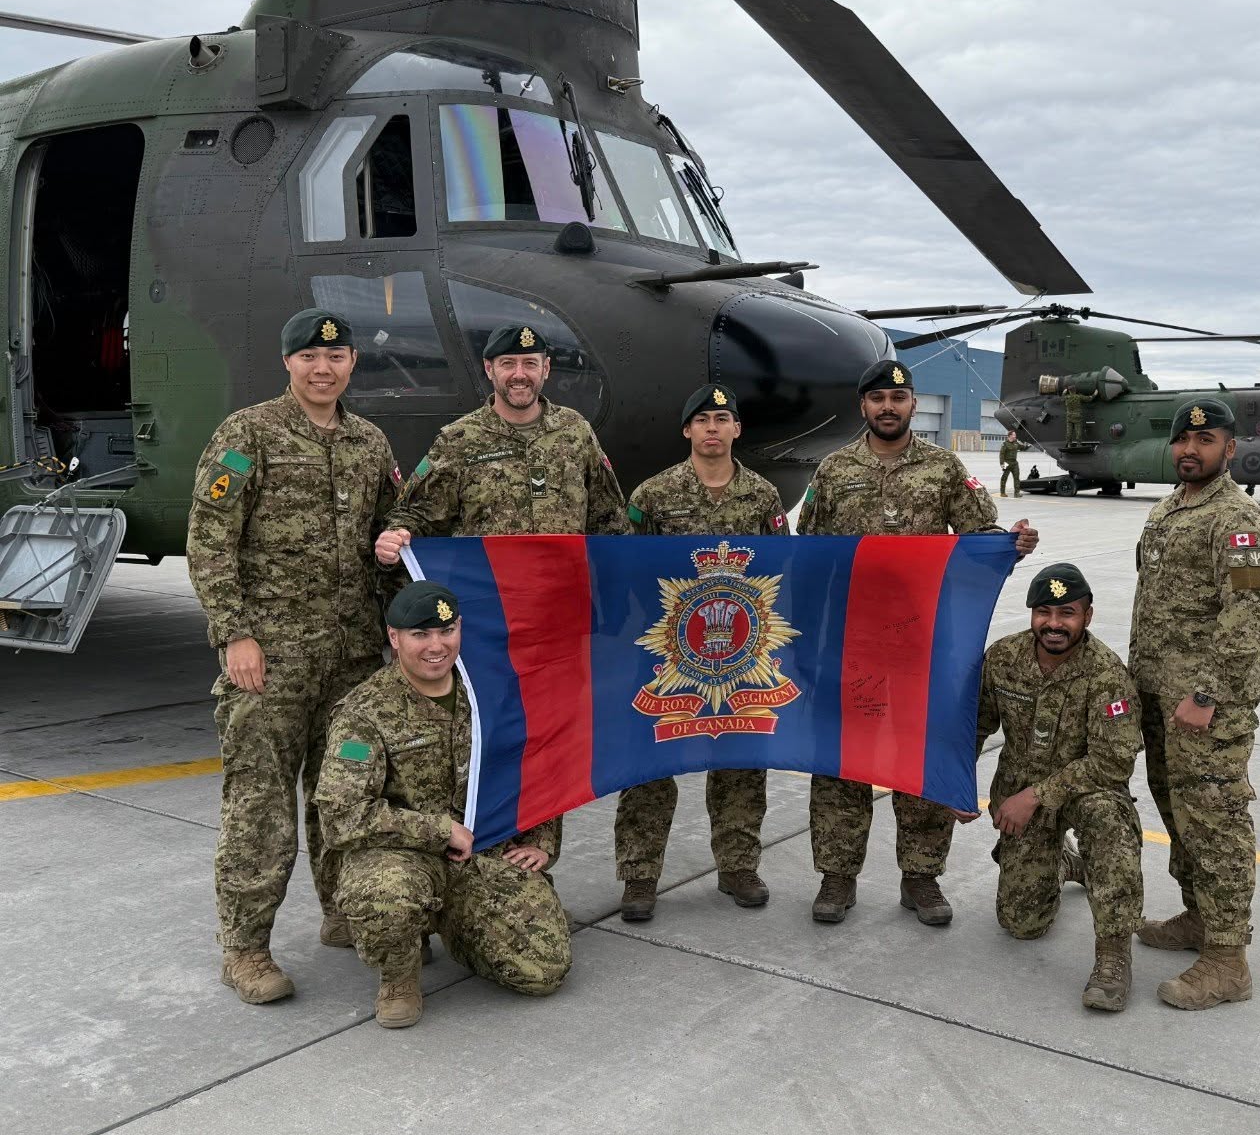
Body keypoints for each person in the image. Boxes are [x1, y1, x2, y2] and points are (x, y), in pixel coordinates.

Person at [187, 308, 399, 1005]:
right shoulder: (247, 434)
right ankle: (245, 949)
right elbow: (210, 541)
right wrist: (234, 634)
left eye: (335, 357)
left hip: (351, 657)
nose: (323, 368)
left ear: (352, 364)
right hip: (270, 658)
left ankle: (343, 912)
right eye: (309, 356)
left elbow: (388, 540)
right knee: (261, 803)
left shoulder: (369, 443)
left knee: (345, 790)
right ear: (288, 362)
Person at [798, 359, 1039, 926]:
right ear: (863, 406)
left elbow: (979, 537)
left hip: (921, 641)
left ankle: (921, 877)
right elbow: (809, 549)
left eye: (898, 398)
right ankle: (837, 876)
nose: (888, 407)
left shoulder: (944, 469)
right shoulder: (833, 470)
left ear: (912, 404)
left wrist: (1010, 544)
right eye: (878, 398)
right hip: (852, 641)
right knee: (842, 757)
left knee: (921, 749)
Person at [315, 582, 570, 1028]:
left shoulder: (489, 692)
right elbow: (341, 814)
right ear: (394, 637)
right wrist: (438, 830)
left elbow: (535, 763)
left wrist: (543, 837)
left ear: (460, 628)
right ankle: (399, 977)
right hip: (400, 854)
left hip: (482, 852)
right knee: (384, 897)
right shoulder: (364, 713)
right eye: (420, 634)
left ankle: (455, 919)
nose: (436, 646)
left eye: (447, 631)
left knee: (542, 971)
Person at [616, 384, 789, 922]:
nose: (712, 428)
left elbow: (784, 566)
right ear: (687, 430)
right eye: (702, 420)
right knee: (648, 760)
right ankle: (640, 874)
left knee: (741, 759)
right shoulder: (652, 495)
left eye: (722, 418)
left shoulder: (762, 496)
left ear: (737, 429)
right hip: (665, 652)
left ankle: (738, 866)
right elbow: (621, 564)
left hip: (741, 651)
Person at [1130, 398, 1260, 1009]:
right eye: (1183, 441)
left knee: (1216, 823)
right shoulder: (1168, 509)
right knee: (1180, 815)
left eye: (1206, 440)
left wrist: (1205, 694)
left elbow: (1249, 614)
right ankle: (1198, 916)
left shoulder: (1239, 518)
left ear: (1229, 448)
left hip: (1207, 707)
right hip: (1161, 698)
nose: (1191, 450)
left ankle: (1227, 959)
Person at [965, 563, 1143, 1011]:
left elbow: (1112, 761)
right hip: (1019, 792)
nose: (1054, 624)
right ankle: (1063, 863)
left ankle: (1113, 955)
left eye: (1067, 613)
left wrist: (1035, 796)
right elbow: (975, 725)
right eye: (1043, 612)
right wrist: (958, 782)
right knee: (1021, 924)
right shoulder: (1004, 658)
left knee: (1110, 825)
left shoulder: (1107, 674)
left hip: (1087, 791)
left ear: (1087, 616)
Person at [374, 324, 625, 560]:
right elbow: (416, 515)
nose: (520, 374)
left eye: (530, 363)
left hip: (564, 584)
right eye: (508, 364)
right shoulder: (459, 439)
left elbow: (610, 518)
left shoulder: (575, 430)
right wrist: (396, 535)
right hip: (492, 587)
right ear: (489, 369)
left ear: (546, 368)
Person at [998, 430, 1022, 497]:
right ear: (1010, 436)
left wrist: (1026, 444)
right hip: (1006, 463)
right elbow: (1001, 454)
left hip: (1014, 463)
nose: (1015, 436)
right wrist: (1002, 464)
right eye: (1014, 435)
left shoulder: (1016, 443)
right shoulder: (1005, 444)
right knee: (1004, 478)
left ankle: (1017, 493)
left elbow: (1022, 448)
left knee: (1017, 478)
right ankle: (1002, 493)